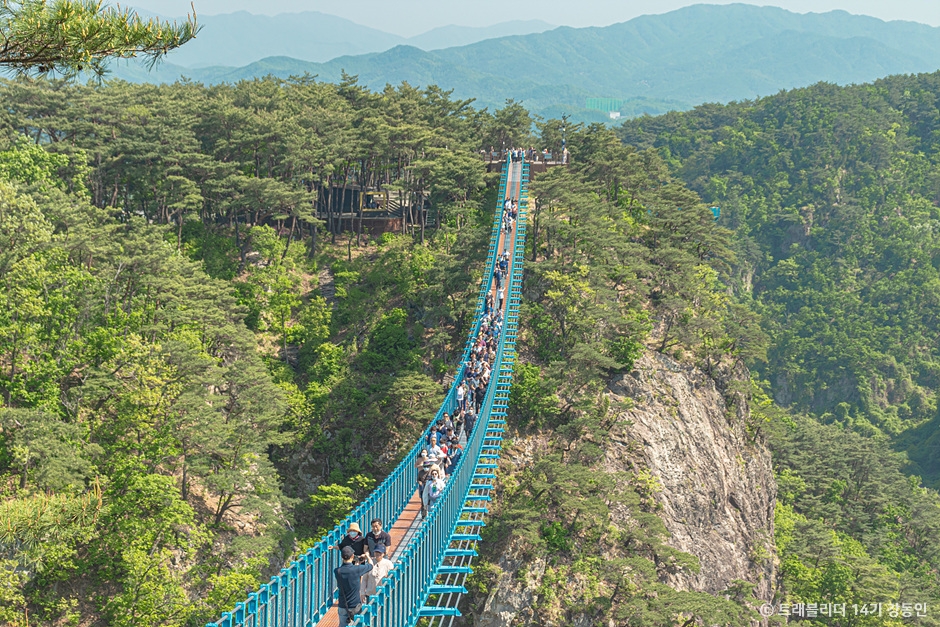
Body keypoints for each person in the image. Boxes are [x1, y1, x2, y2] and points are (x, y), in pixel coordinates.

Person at [334, 546, 372, 626]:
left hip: (342, 604)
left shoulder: (337, 571)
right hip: (355, 605)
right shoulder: (357, 569)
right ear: (352, 556)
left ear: (341, 557)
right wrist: (367, 556)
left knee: (342, 625)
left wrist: (355, 564)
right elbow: (371, 566)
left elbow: (345, 568)